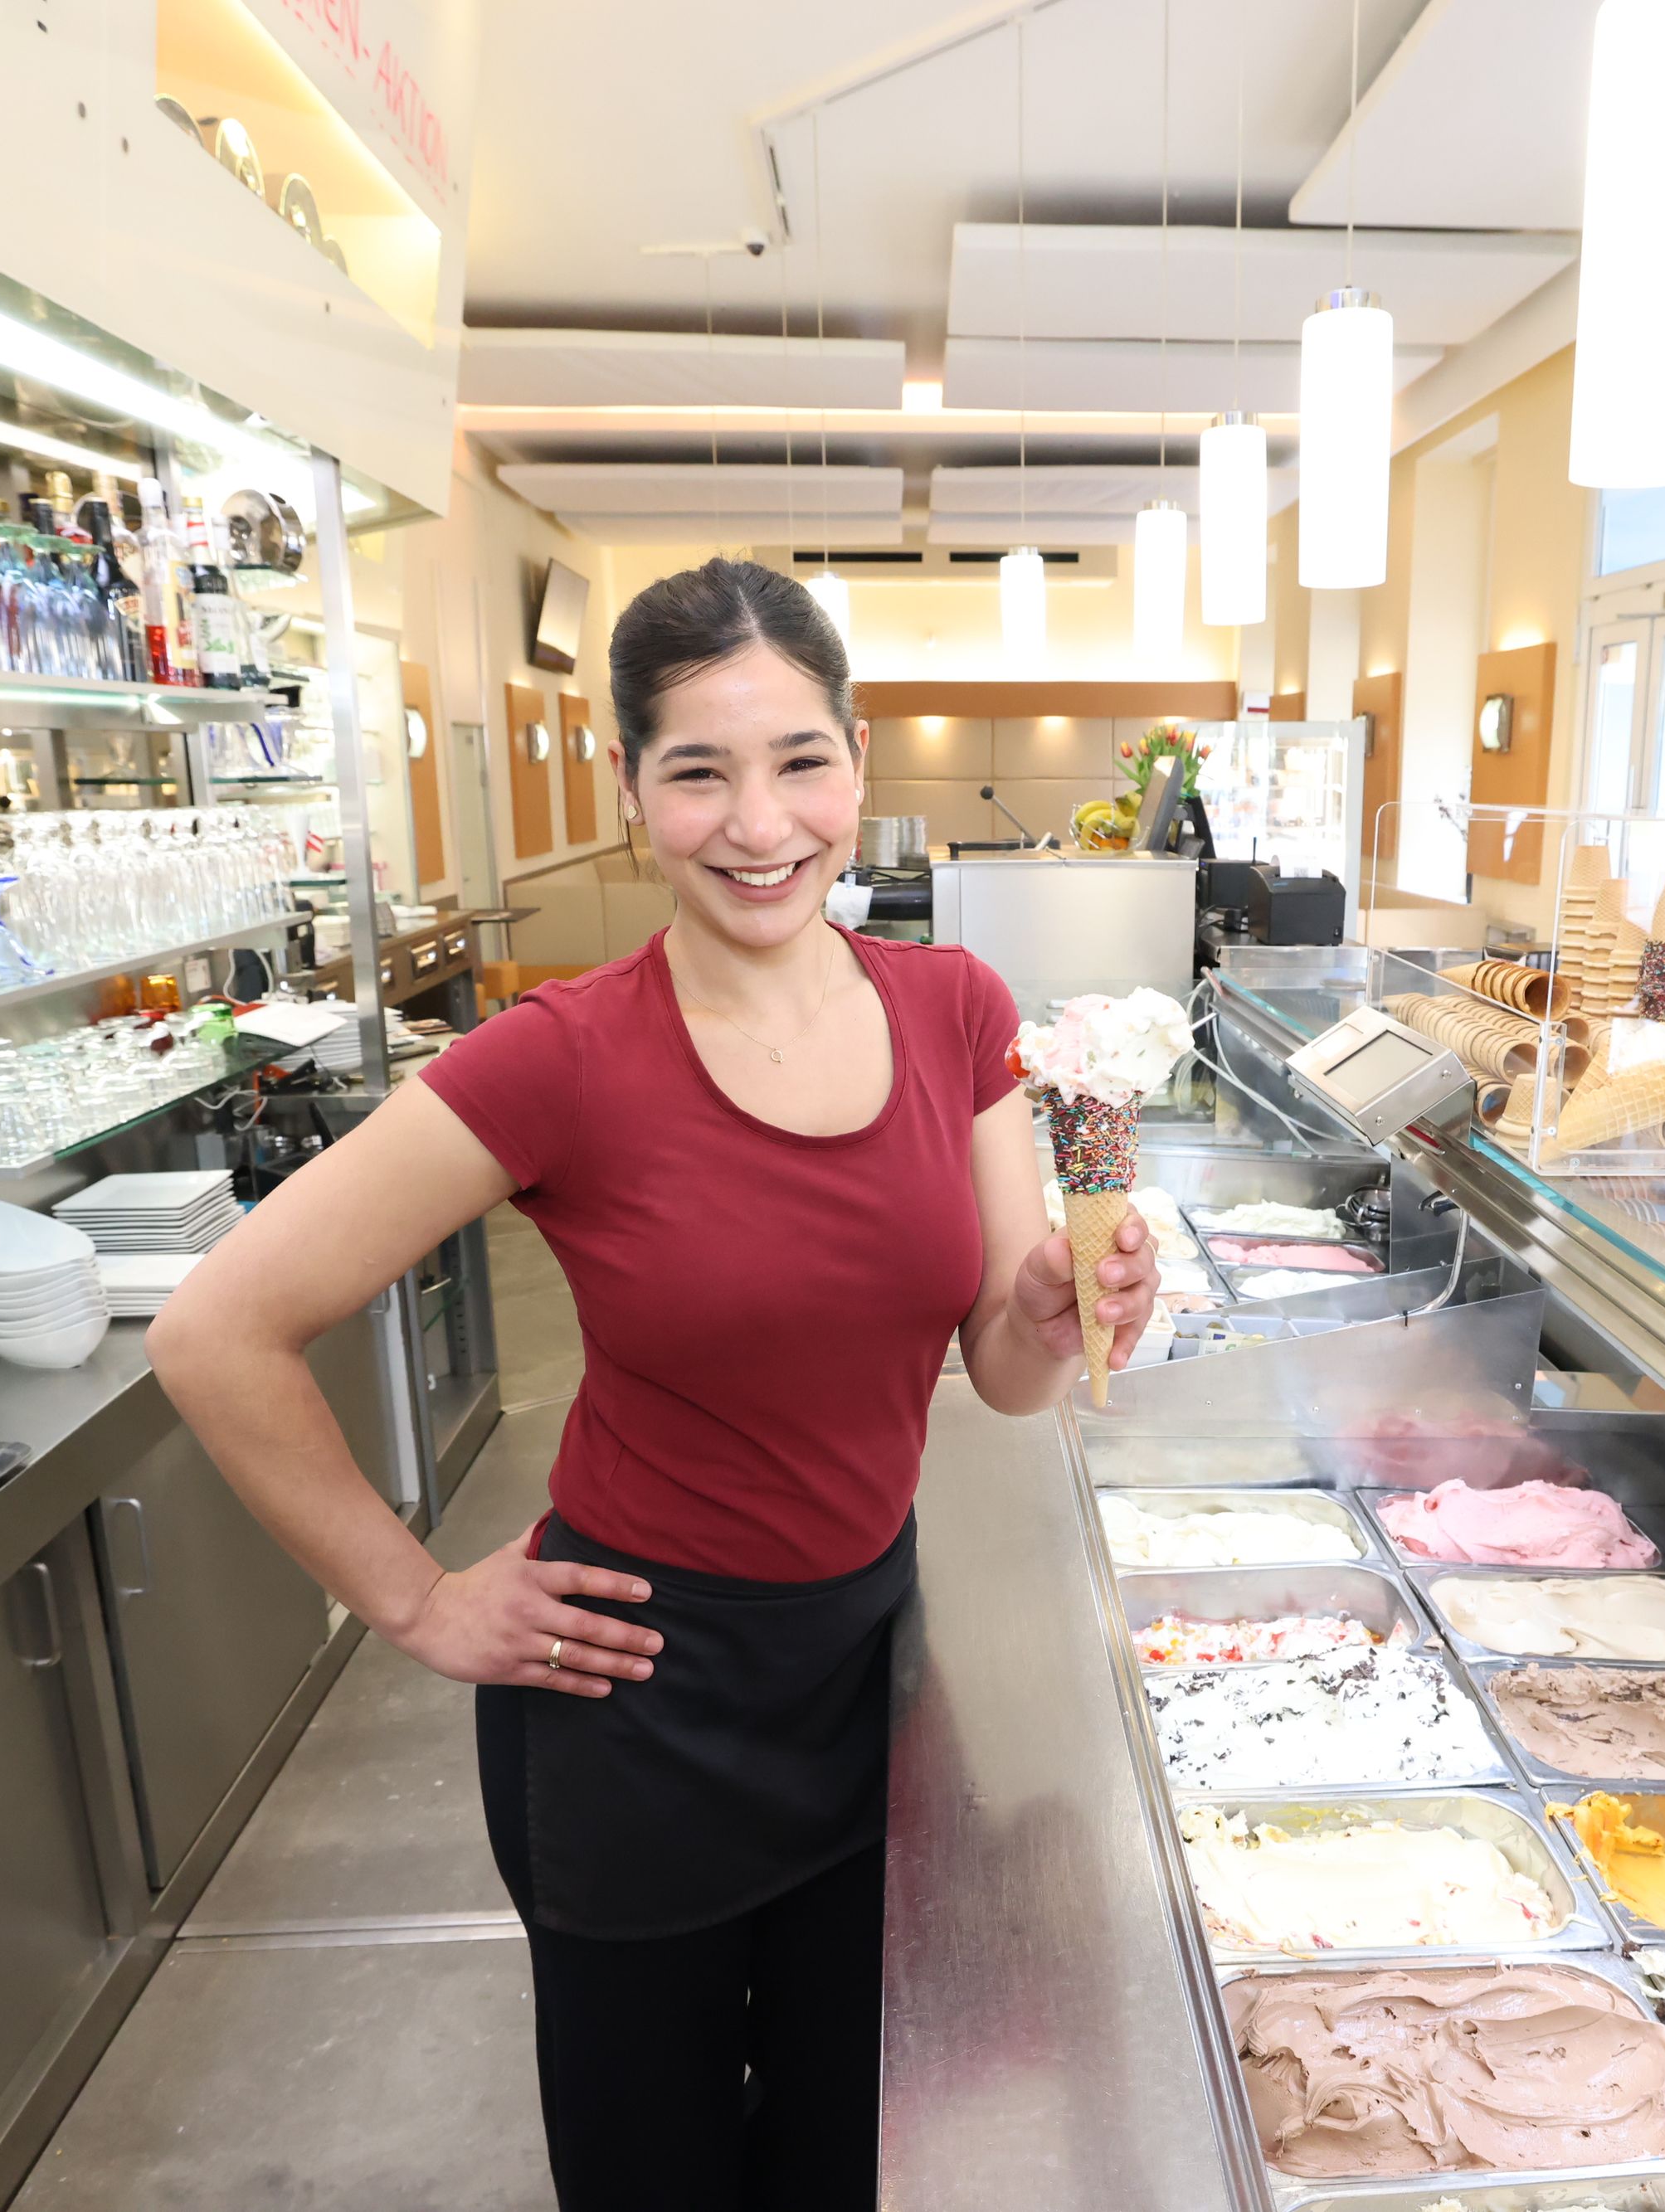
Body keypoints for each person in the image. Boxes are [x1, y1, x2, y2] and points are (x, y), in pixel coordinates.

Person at [145, 557, 1161, 2209]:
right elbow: (214, 1331)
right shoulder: (563, 1053)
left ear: (856, 765)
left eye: (798, 761)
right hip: (634, 1699)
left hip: (871, 1683)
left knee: (849, 2156)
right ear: (631, 794)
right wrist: (408, 1597)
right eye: (697, 770)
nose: (758, 822)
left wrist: (1061, 1303)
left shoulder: (954, 1007)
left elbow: (998, 1364)